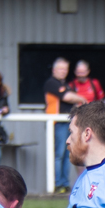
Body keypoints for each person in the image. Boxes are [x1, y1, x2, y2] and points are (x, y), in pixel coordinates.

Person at [43, 58, 74, 193]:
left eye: (65, 69)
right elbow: (67, 97)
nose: (63, 71)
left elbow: (70, 97)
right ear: (54, 70)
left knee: (68, 154)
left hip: (68, 122)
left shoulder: (65, 84)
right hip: (56, 123)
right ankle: (56, 184)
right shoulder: (51, 83)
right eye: (60, 69)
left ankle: (65, 184)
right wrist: (81, 98)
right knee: (59, 154)